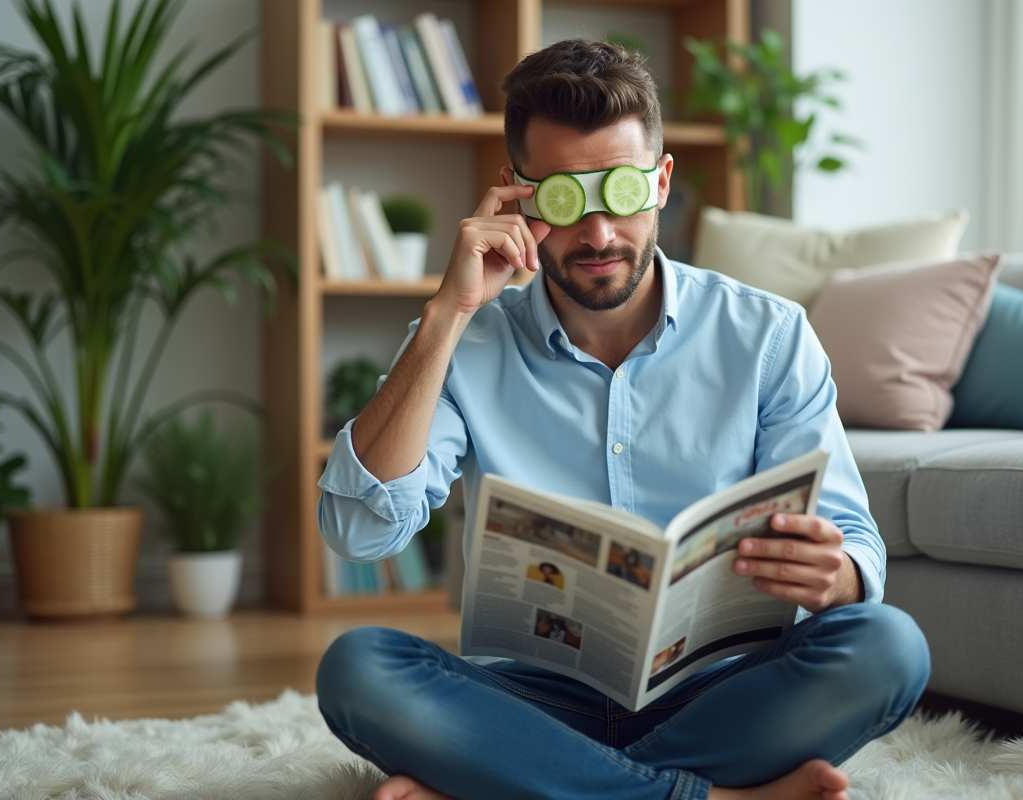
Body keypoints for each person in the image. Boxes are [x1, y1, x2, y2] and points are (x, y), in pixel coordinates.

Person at [315, 38, 930, 800]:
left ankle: (519, 784)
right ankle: (710, 795)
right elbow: (357, 531)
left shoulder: (768, 337)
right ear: (516, 196)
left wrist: (831, 576)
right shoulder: (465, 342)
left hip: (717, 694)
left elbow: (854, 547)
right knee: (358, 668)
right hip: (536, 701)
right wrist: (447, 313)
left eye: (624, 192)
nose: (600, 233)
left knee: (888, 647)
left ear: (663, 181)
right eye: (566, 199)